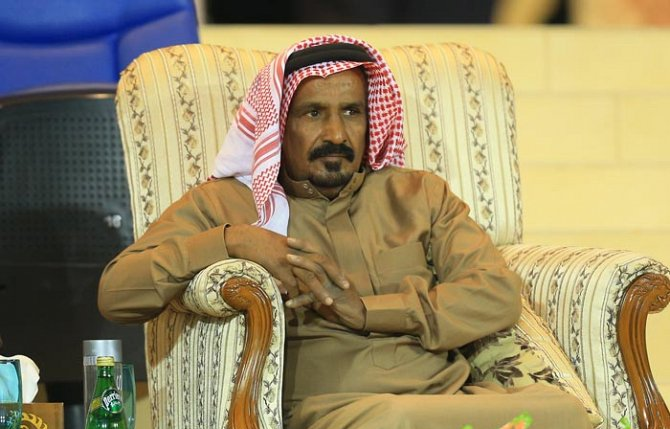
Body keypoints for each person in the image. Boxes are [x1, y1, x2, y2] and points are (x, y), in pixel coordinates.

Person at [98, 35, 593, 429]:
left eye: (352, 112)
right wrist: (232, 241)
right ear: (279, 125)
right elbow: (117, 293)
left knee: (564, 413)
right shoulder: (228, 203)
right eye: (313, 113)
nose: (336, 134)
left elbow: (496, 294)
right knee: (392, 421)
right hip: (336, 410)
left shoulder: (417, 194)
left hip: (447, 399)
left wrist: (366, 311)